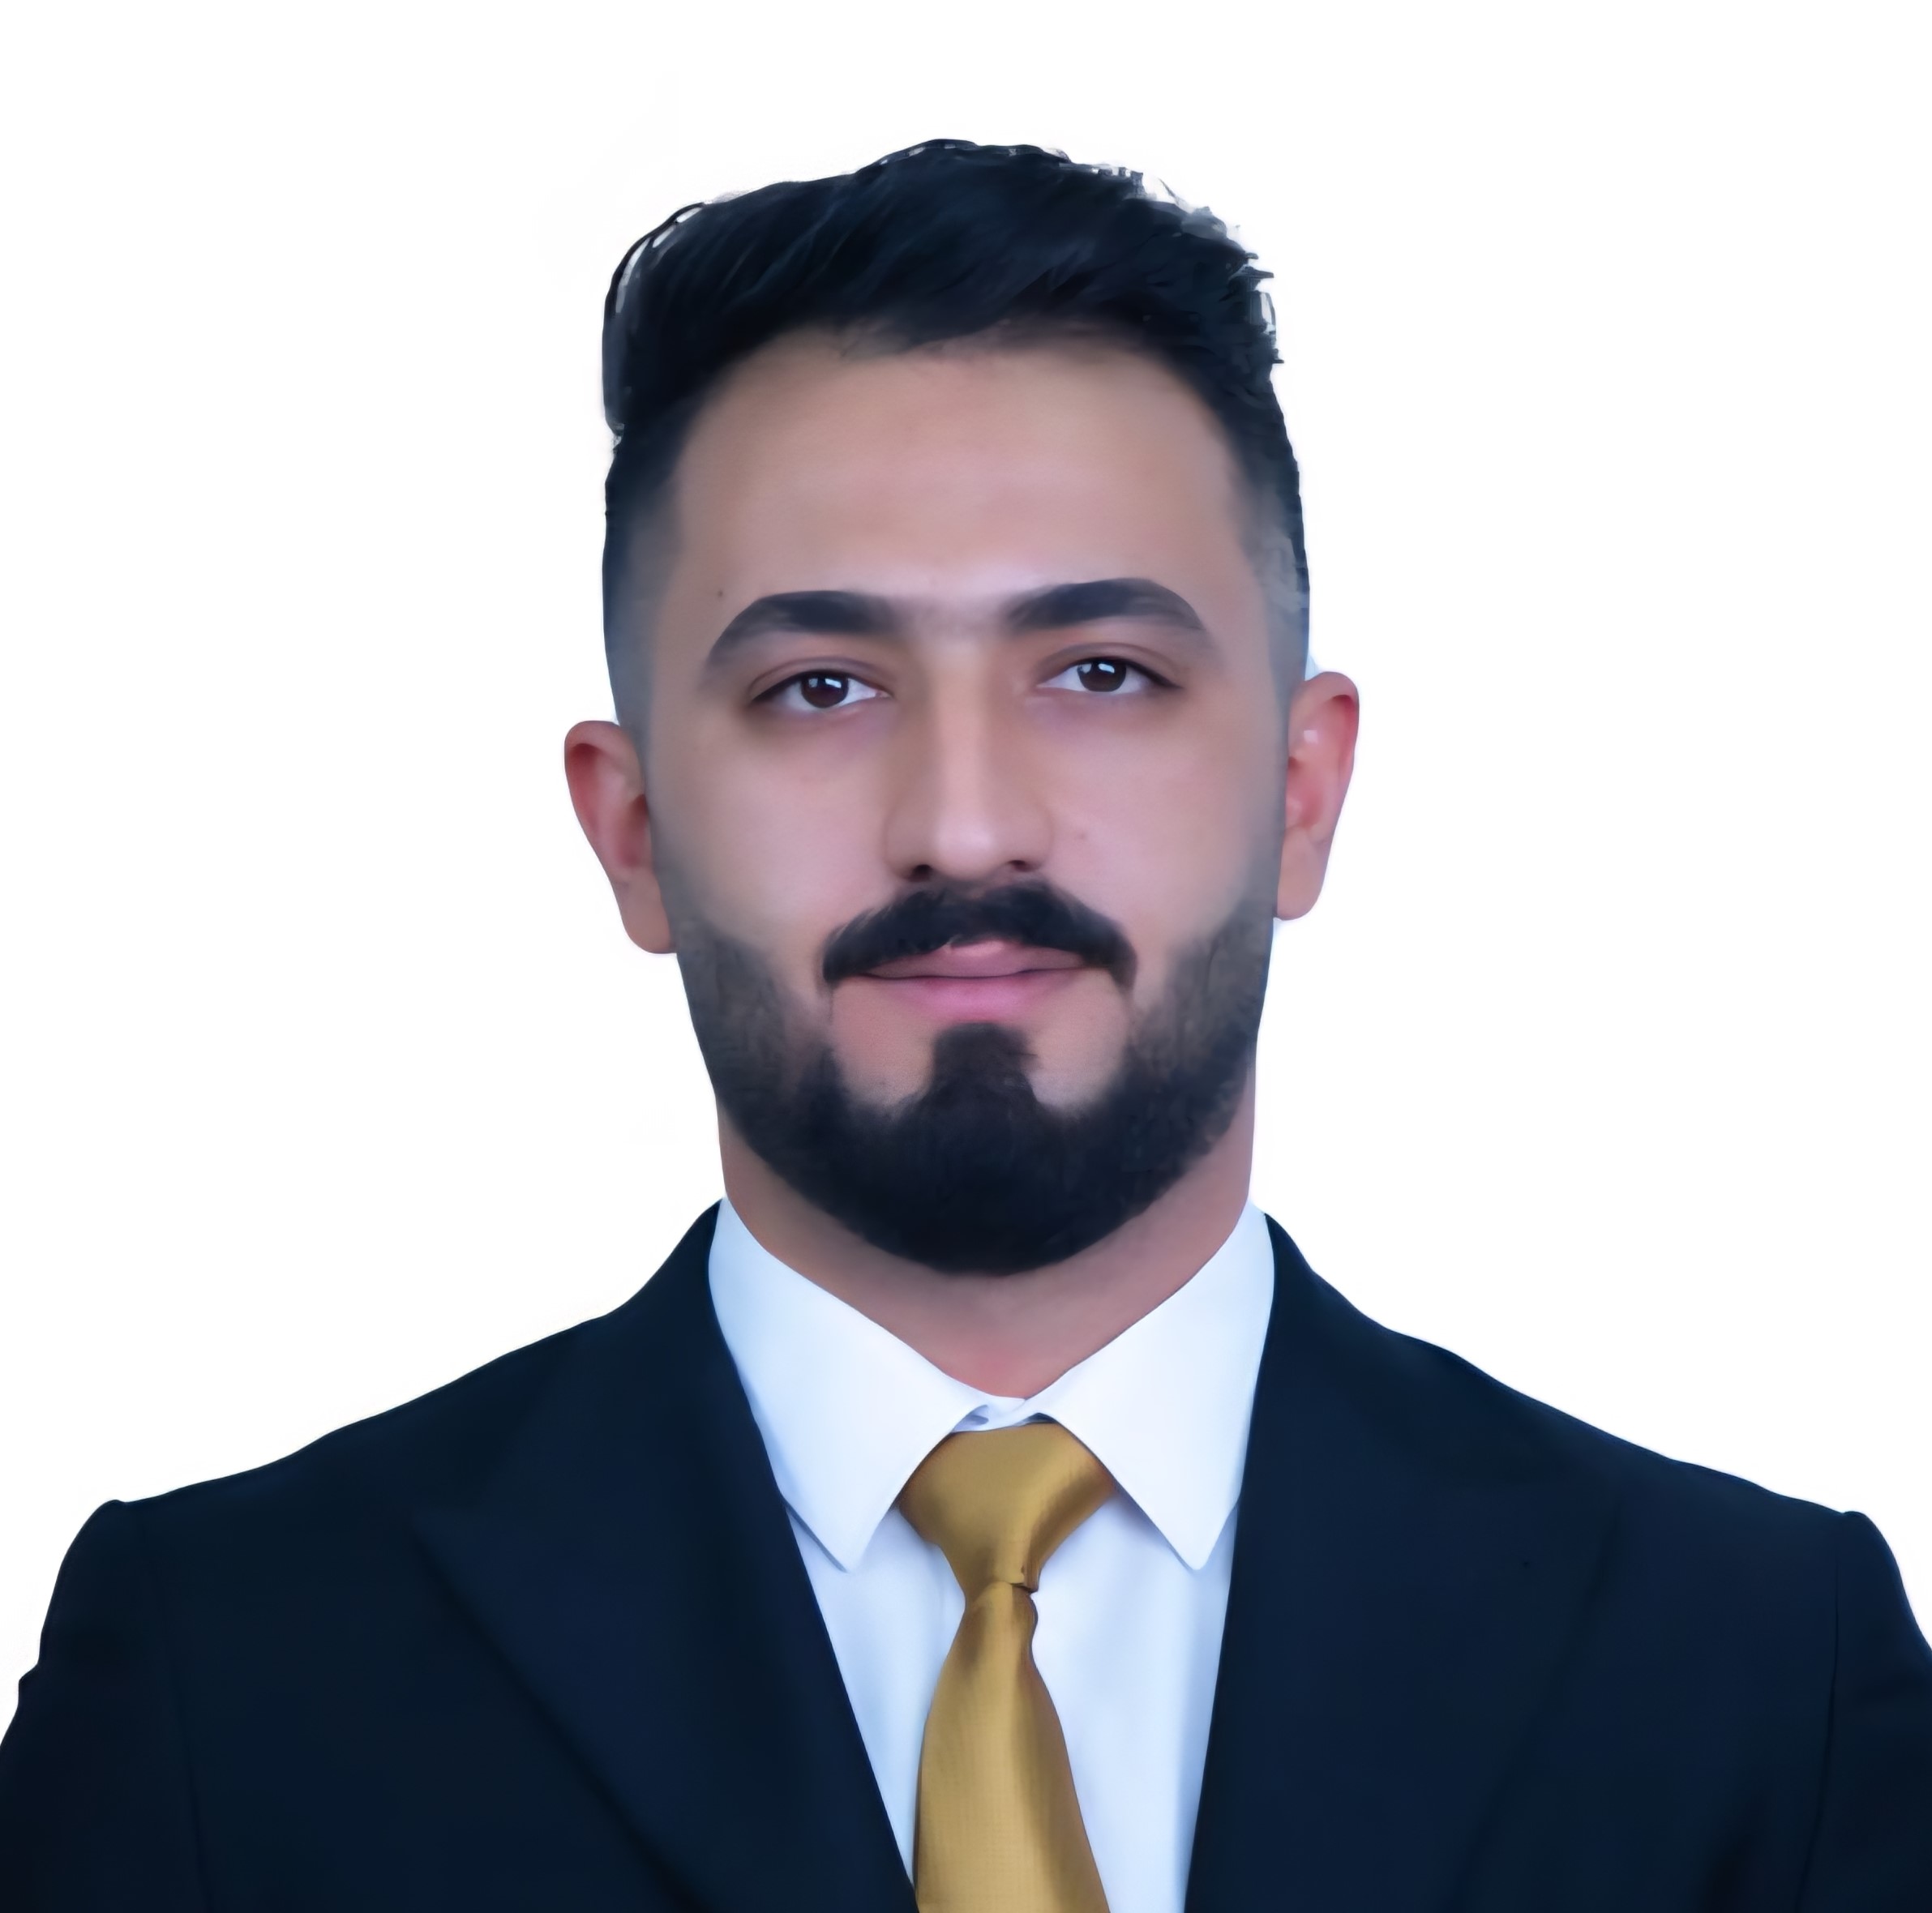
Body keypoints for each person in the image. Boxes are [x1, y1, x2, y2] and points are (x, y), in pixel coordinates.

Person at [1, 139, 1926, 1913]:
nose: (968, 823)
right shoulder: (222, 1674)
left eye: (1101, 671)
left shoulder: (1761, 1672)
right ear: (633, 828)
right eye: (822, 687)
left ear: (1301, 791)